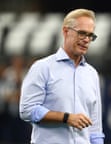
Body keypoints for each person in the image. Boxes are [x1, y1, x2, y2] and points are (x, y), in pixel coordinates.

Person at [19, 9, 105, 144]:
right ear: (66, 31)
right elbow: (27, 110)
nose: (86, 40)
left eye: (90, 35)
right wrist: (66, 117)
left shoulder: (92, 74)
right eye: (82, 33)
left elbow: (95, 125)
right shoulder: (42, 67)